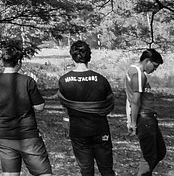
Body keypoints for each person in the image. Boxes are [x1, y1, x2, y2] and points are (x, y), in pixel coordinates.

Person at [0, 43, 53, 176]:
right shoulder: (27, 81)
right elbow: (40, 107)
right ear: (19, 62)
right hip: (28, 136)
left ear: (3, 61)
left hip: (3, 135)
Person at [58, 40, 115, 176]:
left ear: (72, 56)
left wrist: (66, 126)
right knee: (106, 169)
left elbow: (65, 107)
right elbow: (109, 105)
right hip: (100, 129)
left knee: (86, 170)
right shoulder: (101, 80)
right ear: (89, 56)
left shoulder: (64, 81)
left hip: (78, 131)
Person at [123, 48, 166, 176]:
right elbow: (135, 100)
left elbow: (128, 98)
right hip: (144, 118)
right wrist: (133, 123)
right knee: (149, 156)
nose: (154, 70)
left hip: (147, 117)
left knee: (159, 151)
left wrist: (129, 119)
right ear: (147, 61)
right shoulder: (138, 74)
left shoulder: (132, 70)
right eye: (155, 66)